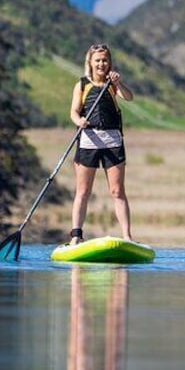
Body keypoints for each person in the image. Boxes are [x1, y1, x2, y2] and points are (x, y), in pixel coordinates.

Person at [68, 43, 135, 245]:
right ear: (90, 62)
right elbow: (73, 112)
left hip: (112, 141)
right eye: (97, 60)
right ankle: (76, 236)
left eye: (104, 60)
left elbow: (129, 97)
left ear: (109, 63)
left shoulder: (113, 84)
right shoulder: (82, 84)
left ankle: (127, 237)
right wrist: (79, 121)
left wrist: (119, 83)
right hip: (88, 140)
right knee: (83, 191)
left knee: (117, 191)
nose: (101, 64)